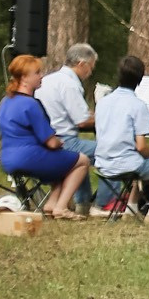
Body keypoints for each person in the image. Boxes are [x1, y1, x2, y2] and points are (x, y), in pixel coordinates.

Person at [93, 54, 149, 219]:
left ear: (119, 76)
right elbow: (141, 146)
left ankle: (132, 208)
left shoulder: (103, 102)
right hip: (125, 165)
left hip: (102, 162)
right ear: (140, 80)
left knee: (135, 159)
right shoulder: (137, 105)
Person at [0, 55, 89, 221]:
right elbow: (51, 142)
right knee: (81, 160)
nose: (41, 76)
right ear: (24, 77)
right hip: (28, 157)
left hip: (6, 158)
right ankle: (61, 208)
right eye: (37, 73)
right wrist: (59, 142)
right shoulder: (30, 104)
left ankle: (50, 205)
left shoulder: (5, 101)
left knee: (63, 161)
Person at [37, 43, 98, 210]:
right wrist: (106, 118)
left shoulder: (48, 80)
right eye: (90, 67)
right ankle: (102, 204)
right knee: (112, 151)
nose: (90, 72)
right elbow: (82, 121)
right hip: (65, 141)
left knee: (80, 156)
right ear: (81, 64)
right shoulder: (70, 84)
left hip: (45, 140)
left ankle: (83, 203)